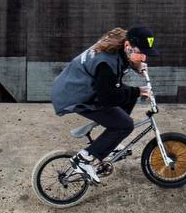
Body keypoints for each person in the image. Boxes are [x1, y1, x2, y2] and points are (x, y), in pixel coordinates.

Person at [49, 26, 156, 183]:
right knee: (125, 125)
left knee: (127, 100)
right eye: (141, 54)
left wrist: (136, 66)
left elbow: (118, 72)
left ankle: (111, 143)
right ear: (128, 46)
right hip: (75, 95)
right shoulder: (106, 63)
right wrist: (138, 91)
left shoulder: (119, 42)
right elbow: (107, 98)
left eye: (145, 55)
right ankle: (84, 159)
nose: (143, 58)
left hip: (77, 84)